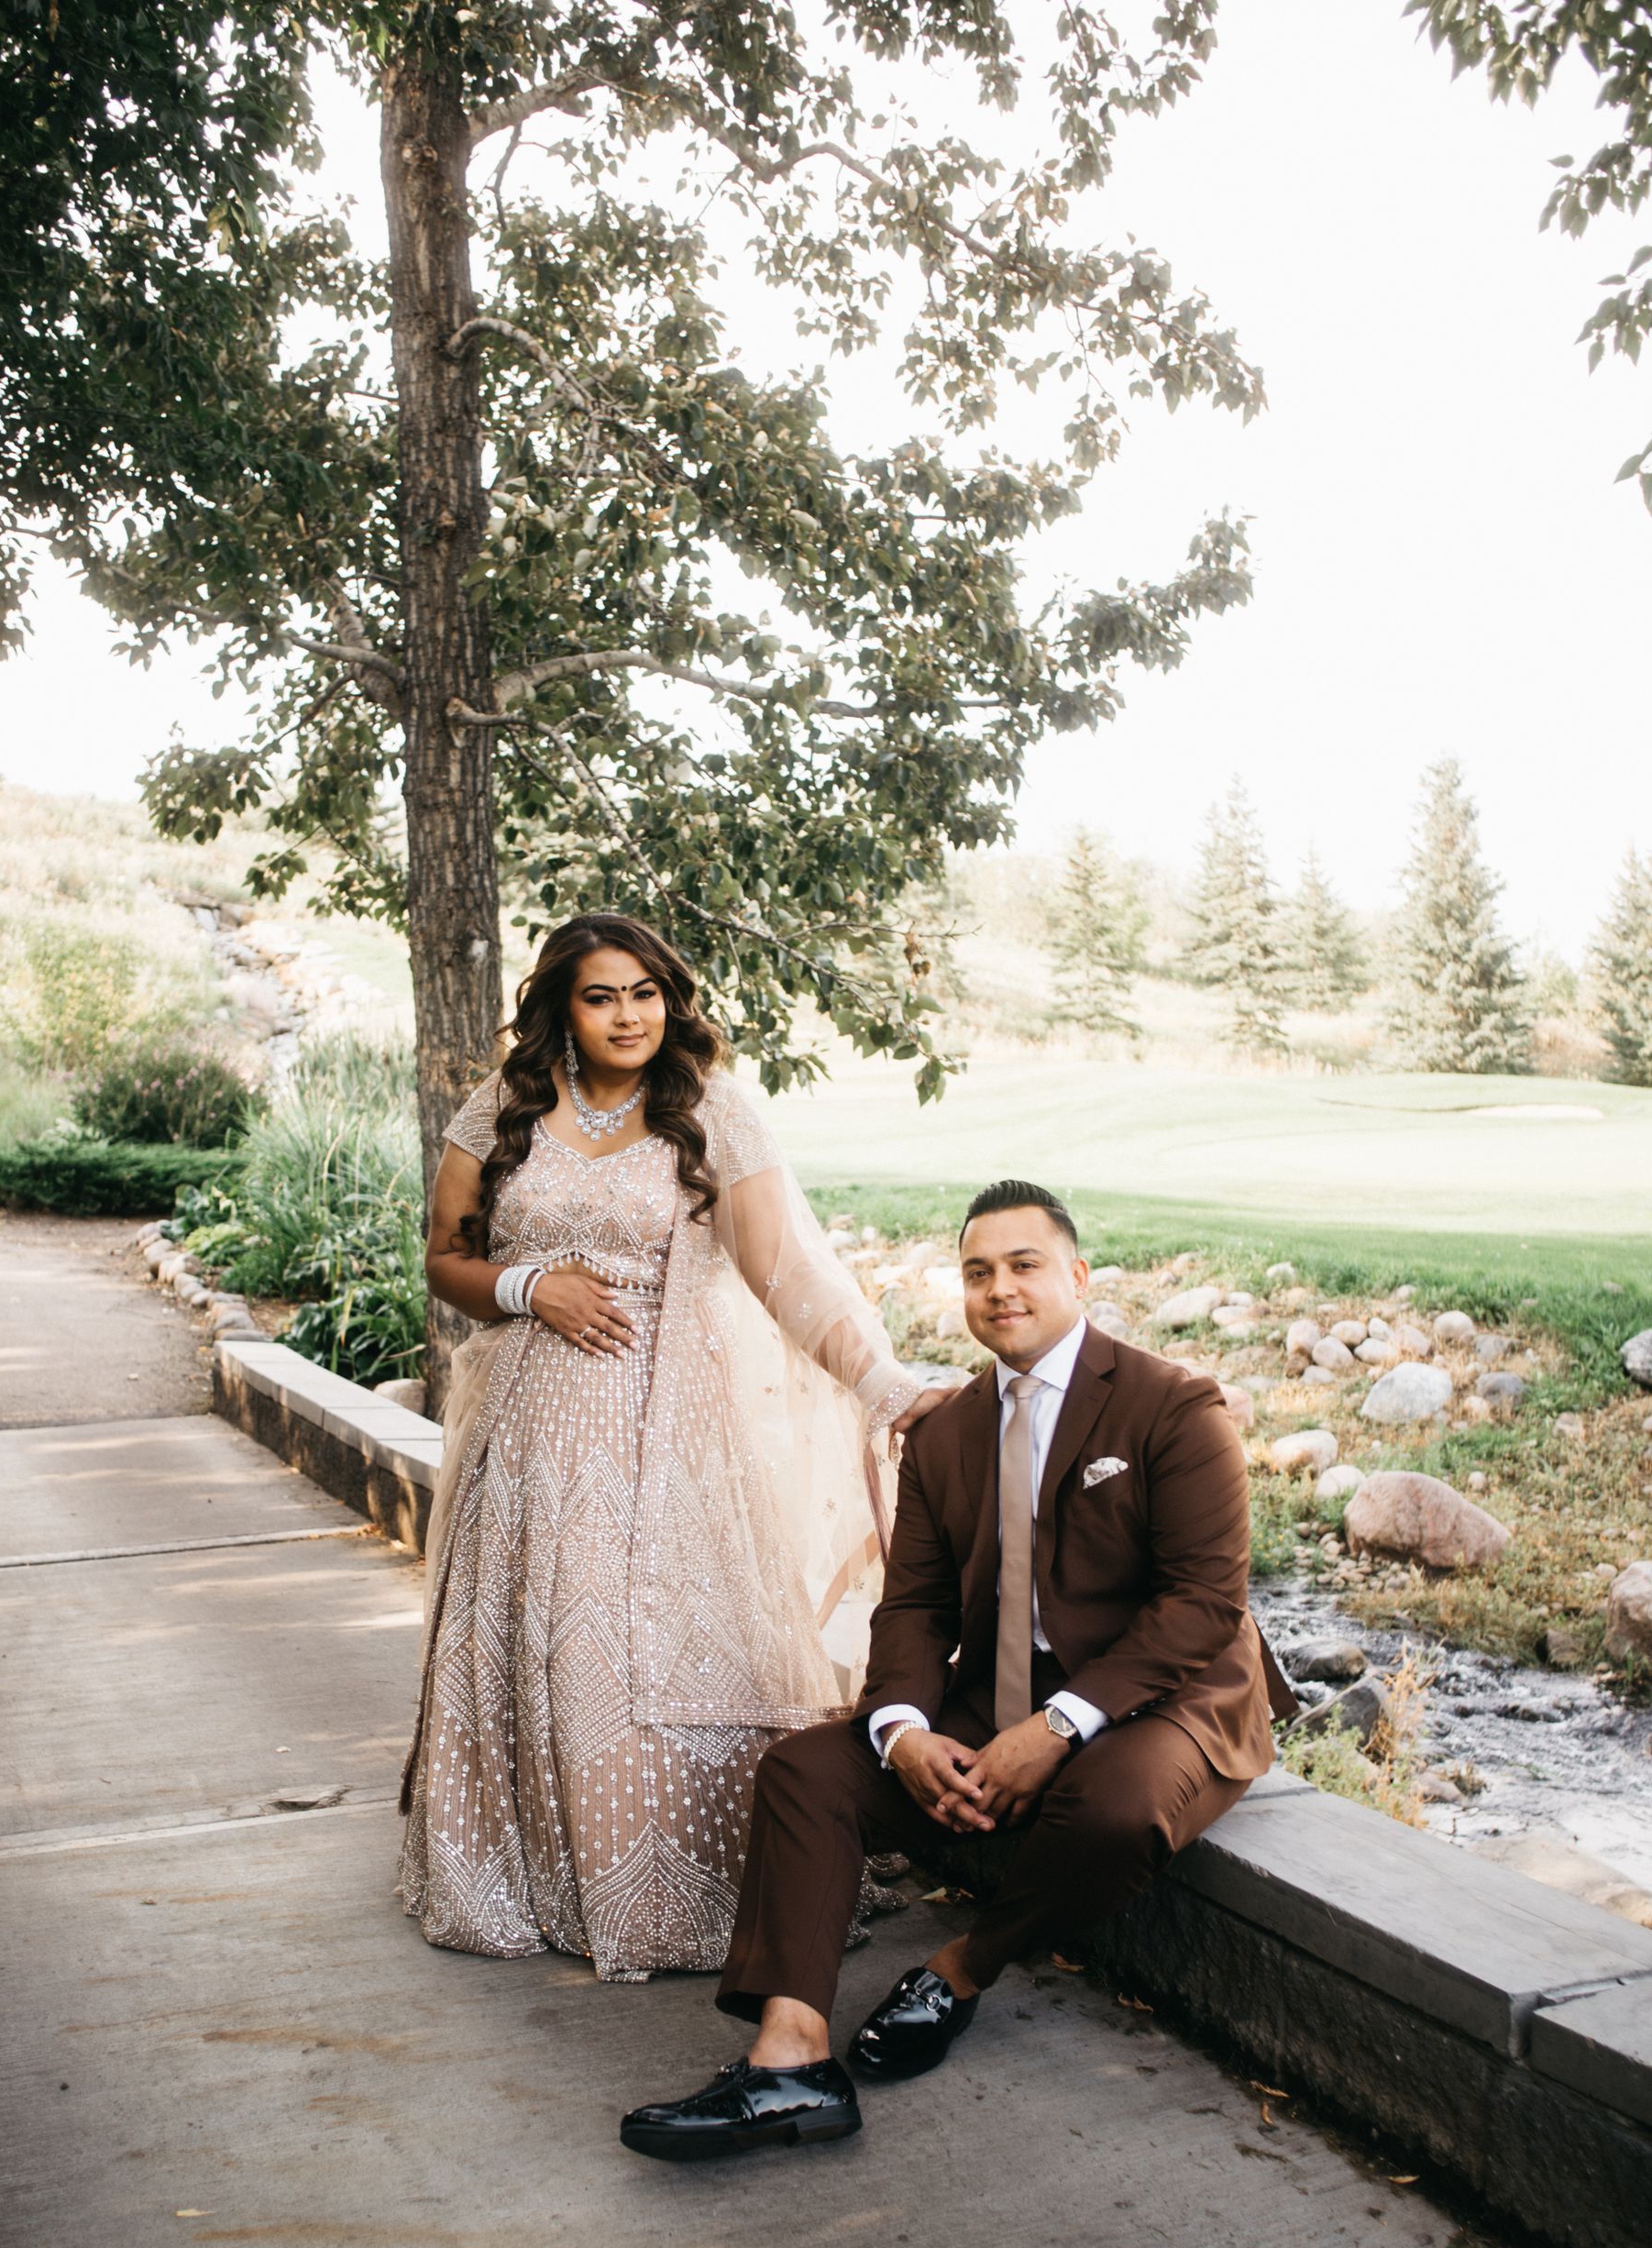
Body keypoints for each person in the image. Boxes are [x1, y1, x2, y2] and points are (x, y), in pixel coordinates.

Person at [620, 1176, 1297, 2156]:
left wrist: (1059, 1726)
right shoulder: (945, 1432)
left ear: (1078, 1274)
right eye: (978, 1272)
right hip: (995, 1695)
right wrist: (901, 1730)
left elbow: (1202, 1605)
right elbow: (916, 1606)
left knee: (1112, 1805)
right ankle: (791, 2057)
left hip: (1166, 1698)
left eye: (1024, 1265)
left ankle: (961, 1968)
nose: (1000, 1289)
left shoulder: (1173, 1405)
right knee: (806, 1772)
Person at [398, 913, 946, 1982]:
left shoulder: (710, 1115)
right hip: (530, 1433)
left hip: (670, 1428)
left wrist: (886, 1386)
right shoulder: (501, 1110)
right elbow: (446, 1257)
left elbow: (790, 1274)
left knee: (656, 1649)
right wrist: (530, 1286)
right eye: (602, 996)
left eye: (646, 992)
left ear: (672, 1000)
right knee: (548, 1646)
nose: (628, 1015)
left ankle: (689, 1882)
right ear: (560, 1005)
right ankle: (531, 1873)